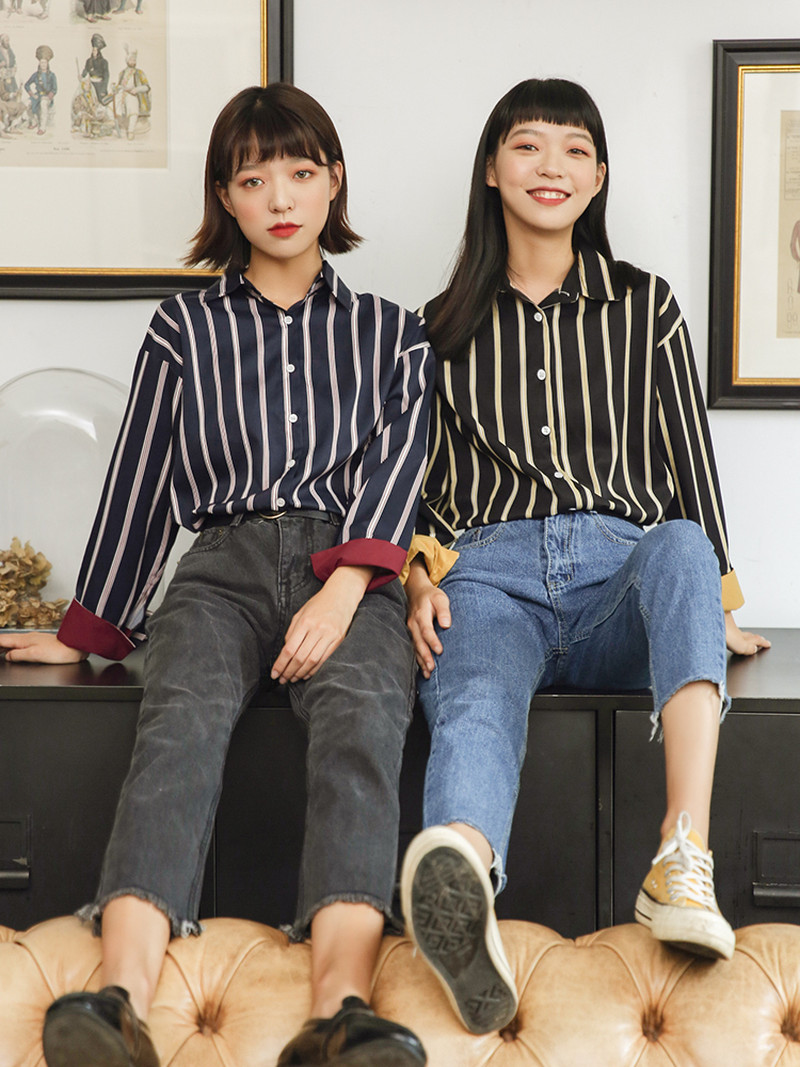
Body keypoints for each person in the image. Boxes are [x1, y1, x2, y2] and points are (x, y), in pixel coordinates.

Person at [0, 83, 432, 1067]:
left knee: (364, 724)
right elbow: (142, 481)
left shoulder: (392, 332)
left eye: (300, 171)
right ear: (225, 197)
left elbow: (398, 471)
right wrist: (87, 631)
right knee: (179, 721)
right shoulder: (181, 329)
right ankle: (118, 999)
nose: (279, 196)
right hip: (220, 566)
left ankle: (341, 1012)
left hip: (350, 569)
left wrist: (342, 590)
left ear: (333, 182)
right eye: (252, 178)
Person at [399, 77, 770, 1036]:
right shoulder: (436, 326)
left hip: (618, 574)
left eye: (574, 150)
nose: (551, 166)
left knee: (680, 543)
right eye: (528, 145)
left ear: (599, 177)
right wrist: (415, 574)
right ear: (492, 169)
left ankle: (681, 856)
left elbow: (691, 465)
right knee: (475, 701)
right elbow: (413, 485)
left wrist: (715, 603)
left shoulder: (646, 306)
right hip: (487, 573)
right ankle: (463, 880)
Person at [111, 45, 149, 139]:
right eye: (131, 60)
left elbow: (146, 87)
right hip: (122, 93)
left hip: (133, 94)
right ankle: (118, 126)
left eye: (134, 60)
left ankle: (130, 131)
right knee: (114, 103)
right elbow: (119, 85)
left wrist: (137, 89)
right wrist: (115, 87)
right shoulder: (122, 73)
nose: (133, 62)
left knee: (132, 105)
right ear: (127, 61)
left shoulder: (139, 73)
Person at [24, 43, 56, 134]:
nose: (43, 64)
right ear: (39, 63)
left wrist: (48, 97)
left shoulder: (52, 75)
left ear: (47, 63)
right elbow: (27, 85)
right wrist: (32, 95)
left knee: (43, 104)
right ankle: (34, 121)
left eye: (45, 62)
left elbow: (54, 89)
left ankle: (42, 127)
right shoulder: (36, 75)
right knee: (26, 103)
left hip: (47, 97)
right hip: (37, 96)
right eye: (41, 62)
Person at [81, 32, 109, 101]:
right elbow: (86, 70)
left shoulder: (104, 62)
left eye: (95, 50)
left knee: (101, 102)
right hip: (91, 85)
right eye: (93, 50)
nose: (94, 52)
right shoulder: (89, 61)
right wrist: (82, 76)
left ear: (98, 51)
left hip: (100, 86)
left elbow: (106, 76)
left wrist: (103, 89)